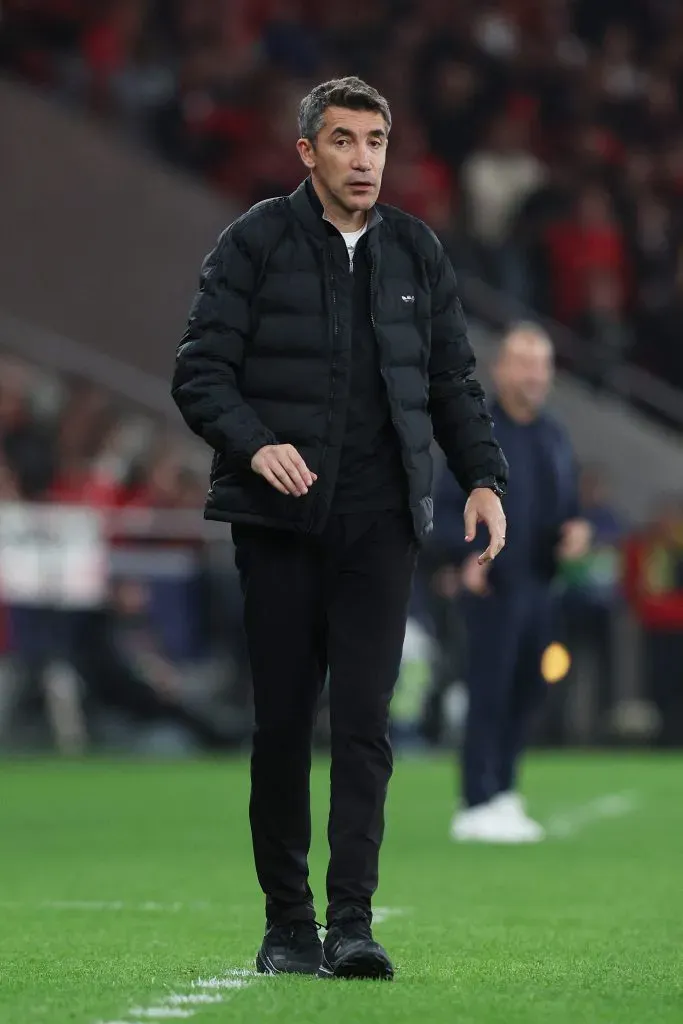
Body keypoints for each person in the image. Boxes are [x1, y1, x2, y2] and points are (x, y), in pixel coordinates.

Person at [172, 76, 508, 979]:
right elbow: (199, 372)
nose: (363, 159)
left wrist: (483, 478)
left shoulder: (416, 251)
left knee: (364, 726)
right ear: (307, 151)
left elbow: (451, 381)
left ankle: (351, 924)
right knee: (283, 725)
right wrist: (256, 445)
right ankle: (288, 926)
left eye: (376, 142)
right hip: (277, 523)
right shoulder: (252, 242)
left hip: (380, 523)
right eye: (344, 141)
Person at [431, 324, 591, 843]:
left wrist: (576, 532)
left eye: (542, 364)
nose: (534, 375)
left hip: (540, 587)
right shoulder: (477, 433)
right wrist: (465, 557)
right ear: (500, 369)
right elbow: (444, 509)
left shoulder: (554, 436)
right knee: (488, 690)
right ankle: (475, 800)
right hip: (492, 586)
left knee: (528, 689)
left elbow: (567, 509)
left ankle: (502, 790)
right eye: (524, 363)